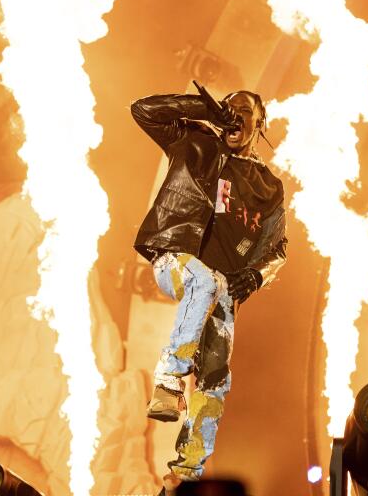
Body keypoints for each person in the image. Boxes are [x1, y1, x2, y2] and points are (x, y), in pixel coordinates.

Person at [130, 89, 288, 495]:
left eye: (244, 111)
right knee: (202, 281)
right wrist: (202, 108)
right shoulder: (196, 142)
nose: (234, 117)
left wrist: (255, 276)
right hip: (176, 258)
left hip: (222, 288)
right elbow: (143, 111)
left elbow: (278, 248)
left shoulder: (268, 186)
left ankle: (184, 474)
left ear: (260, 123)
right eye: (228, 108)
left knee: (216, 377)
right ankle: (169, 381)